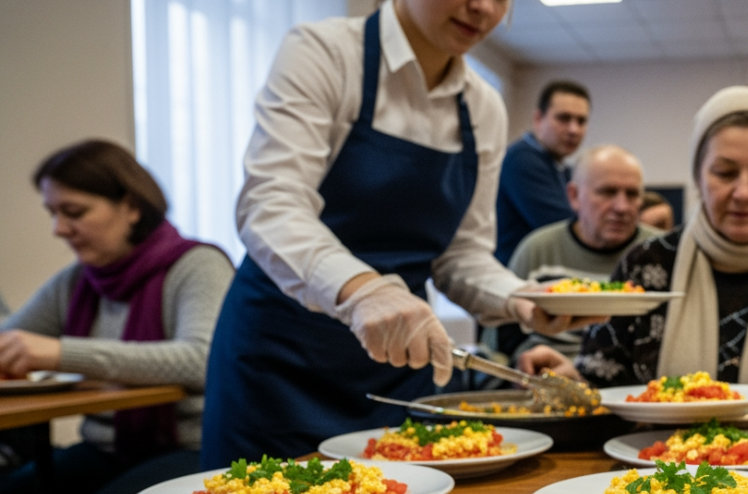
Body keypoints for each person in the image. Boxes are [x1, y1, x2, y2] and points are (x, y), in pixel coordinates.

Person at [202, 0, 591, 470]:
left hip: (396, 369)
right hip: (279, 361)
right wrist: (364, 290)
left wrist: (521, 297)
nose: (482, 8)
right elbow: (270, 204)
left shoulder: (482, 107)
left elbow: (460, 255)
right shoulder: (325, 53)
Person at [521, 86, 748, 426]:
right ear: (698, 176)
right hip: (658, 480)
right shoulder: (647, 266)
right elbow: (601, 388)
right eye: (724, 173)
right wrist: (570, 380)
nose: (743, 192)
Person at [0, 140, 233, 494]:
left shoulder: (198, 265)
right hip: (108, 447)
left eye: (73, 212)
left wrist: (59, 352)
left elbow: (199, 359)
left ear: (131, 206)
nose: (58, 228)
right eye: (52, 213)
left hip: (192, 448)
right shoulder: (78, 281)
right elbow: (11, 341)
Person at [503, 145, 662, 361]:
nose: (622, 207)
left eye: (632, 194)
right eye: (607, 192)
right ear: (574, 196)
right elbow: (505, 341)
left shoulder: (659, 252)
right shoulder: (537, 250)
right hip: (548, 380)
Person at [494, 79, 591, 264]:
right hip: (515, 279)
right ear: (538, 119)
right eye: (564, 118)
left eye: (581, 121)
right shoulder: (522, 160)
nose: (574, 129)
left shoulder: (562, 168)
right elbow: (566, 227)